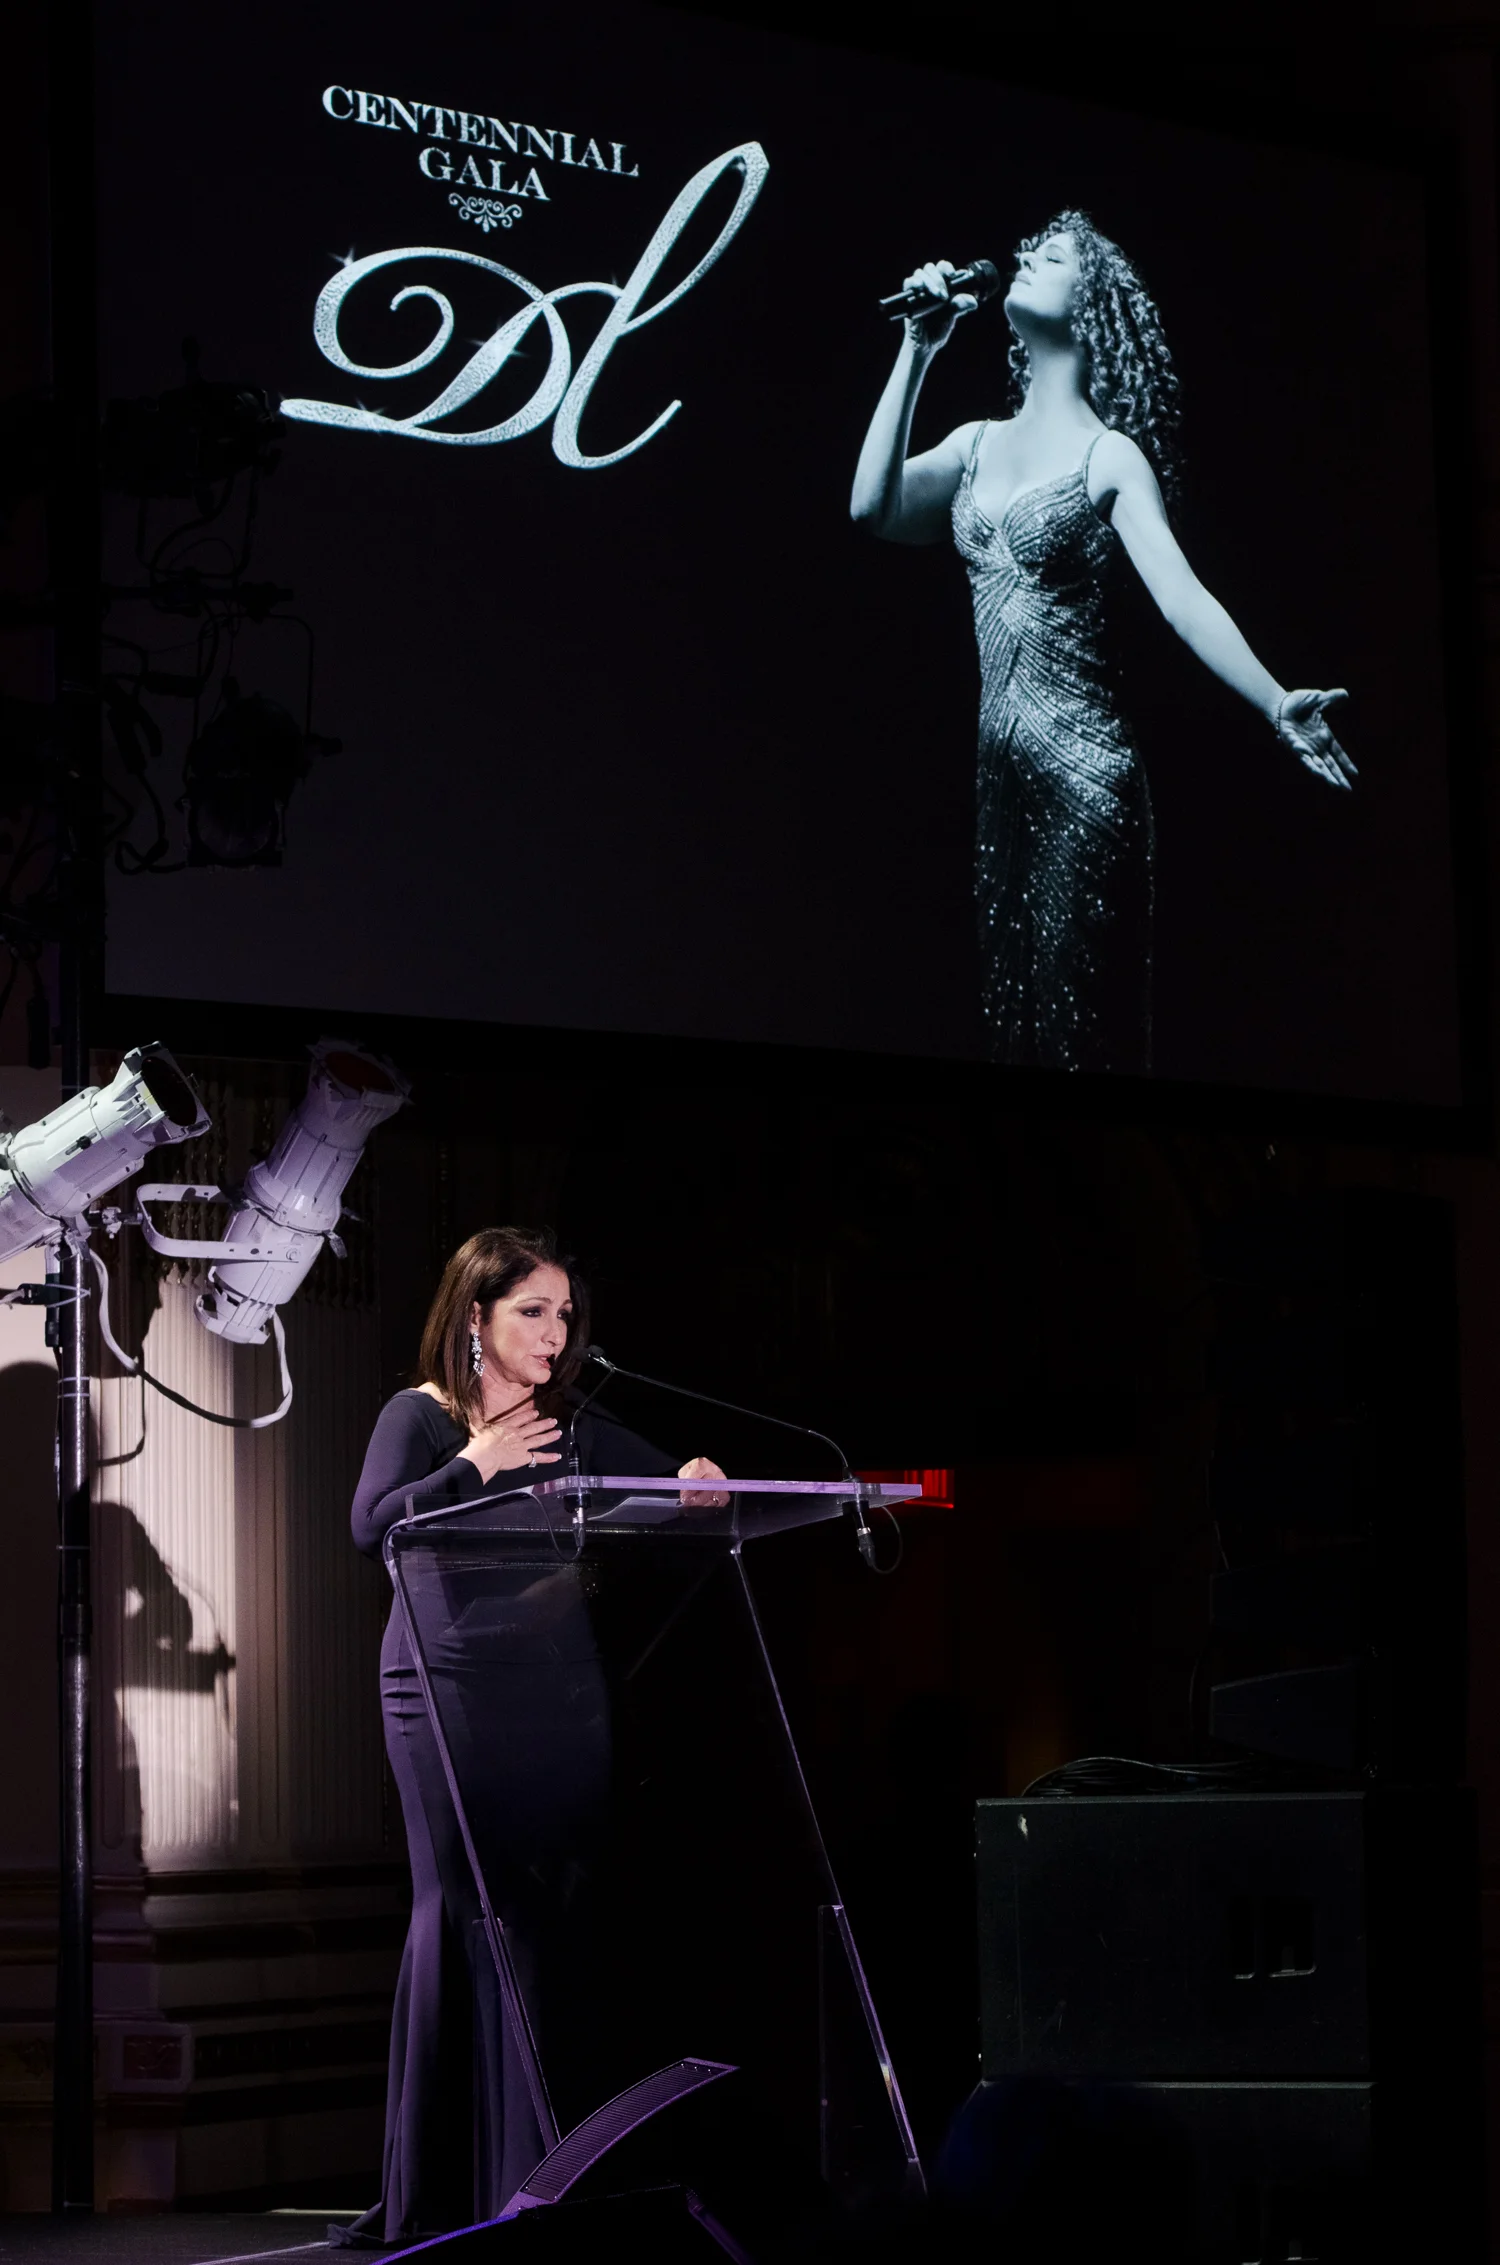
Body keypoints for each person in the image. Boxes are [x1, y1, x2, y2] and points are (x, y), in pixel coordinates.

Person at [850, 211, 1357, 1073]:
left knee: (1084, 1044)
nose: (1024, 260)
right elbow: (873, 507)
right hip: (1002, 789)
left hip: (1087, 782)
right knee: (1014, 1033)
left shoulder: (1109, 456)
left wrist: (1277, 702)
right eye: (1027, 252)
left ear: (1092, 307)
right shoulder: (974, 446)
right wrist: (918, 347)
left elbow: (1184, 599)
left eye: (1051, 257)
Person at [336, 1226, 725, 2247]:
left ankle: (539, 2176)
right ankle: (443, 2187)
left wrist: (694, 1478)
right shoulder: (420, 1417)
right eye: (533, 1311)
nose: (557, 1332)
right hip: (446, 1689)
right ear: (476, 1316)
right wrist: (474, 1464)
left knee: (553, 1918)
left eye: (564, 1314)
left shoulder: (569, 1422)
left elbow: (665, 1489)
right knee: (471, 1906)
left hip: (558, 1695)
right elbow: (374, 1527)